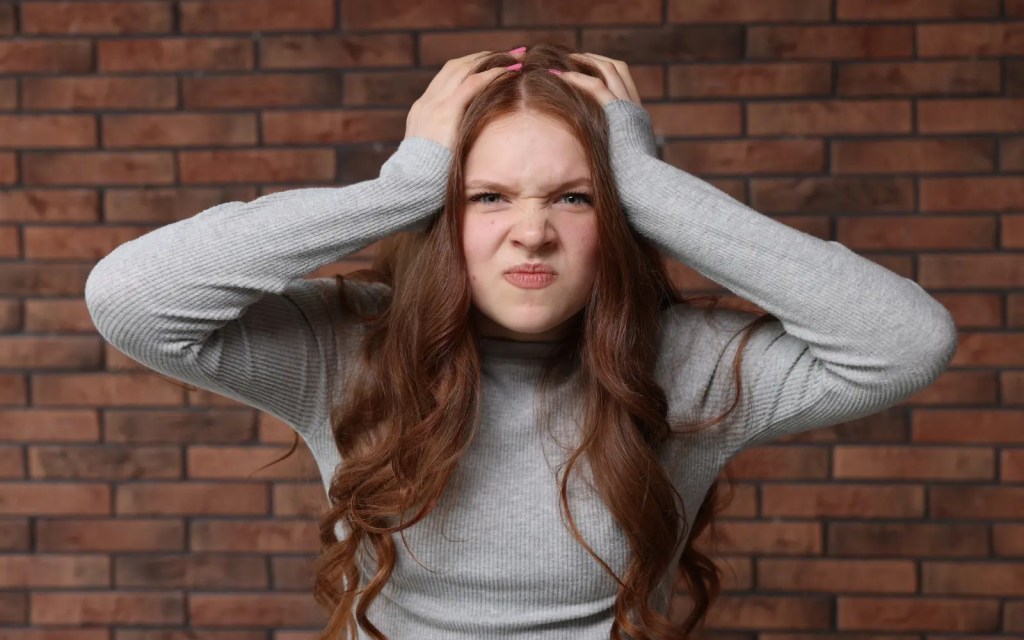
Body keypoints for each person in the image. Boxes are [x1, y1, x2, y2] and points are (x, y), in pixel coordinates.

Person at [84, 43, 958, 640]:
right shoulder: (347, 347)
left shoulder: (688, 366)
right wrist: (405, 183)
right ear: (438, 214)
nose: (530, 234)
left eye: (574, 199)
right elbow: (132, 296)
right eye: (487, 197)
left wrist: (648, 187)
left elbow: (908, 341)